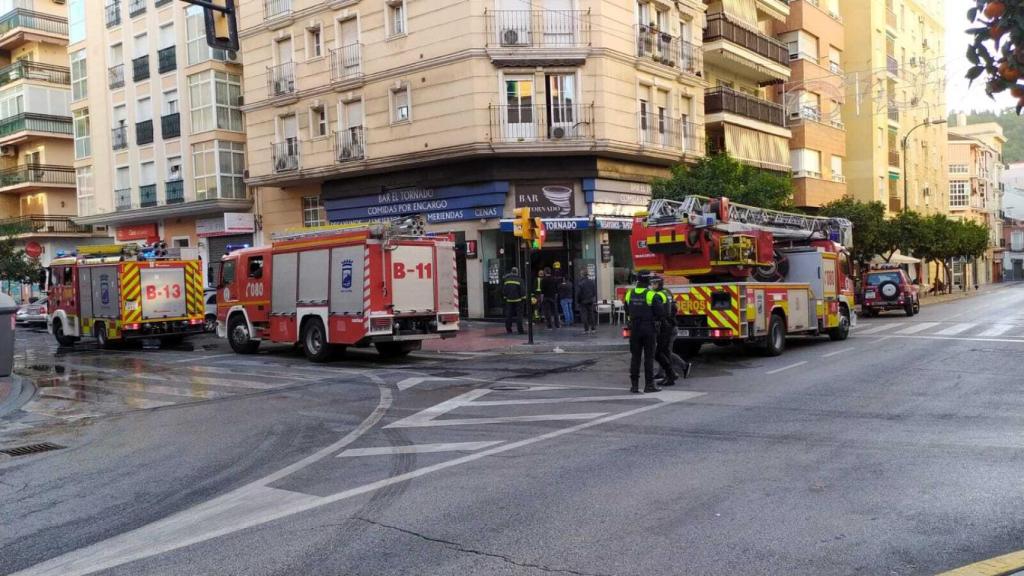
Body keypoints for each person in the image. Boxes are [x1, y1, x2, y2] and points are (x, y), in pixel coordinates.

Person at [624, 273, 665, 394]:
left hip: (634, 329)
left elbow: (627, 309)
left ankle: (634, 386)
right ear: (648, 280)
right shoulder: (651, 295)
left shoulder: (629, 294)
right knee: (649, 358)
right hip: (648, 329)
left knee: (635, 357)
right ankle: (649, 385)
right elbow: (661, 313)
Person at [651, 276, 692, 384]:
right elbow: (674, 309)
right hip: (671, 326)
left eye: (654, 283)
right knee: (663, 352)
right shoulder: (666, 293)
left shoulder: (660, 295)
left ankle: (683, 367)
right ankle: (662, 373)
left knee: (664, 352)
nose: (652, 286)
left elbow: (662, 312)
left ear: (659, 284)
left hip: (667, 328)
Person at [502, 267, 525, 335]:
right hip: (518, 300)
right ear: (517, 272)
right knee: (519, 315)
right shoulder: (519, 280)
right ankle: (520, 330)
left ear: (511, 272)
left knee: (508, 315)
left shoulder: (506, 280)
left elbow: (504, 290)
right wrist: (523, 298)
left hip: (509, 300)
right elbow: (522, 290)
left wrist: (505, 297)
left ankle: (508, 329)